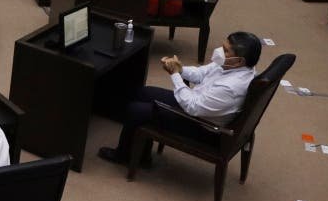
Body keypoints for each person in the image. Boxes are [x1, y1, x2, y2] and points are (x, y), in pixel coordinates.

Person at [98, 31, 260, 165]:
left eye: (225, 50)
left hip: (202, 126)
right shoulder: (233, 64)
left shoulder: (231, 88)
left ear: (239, 60)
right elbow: (201, 73)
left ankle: (123, 156)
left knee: (136, 110)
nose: (219, 51)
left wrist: (175, 74)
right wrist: (180, 68)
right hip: (200, 105)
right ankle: (142, 155)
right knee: (143, 92)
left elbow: (192, 107)